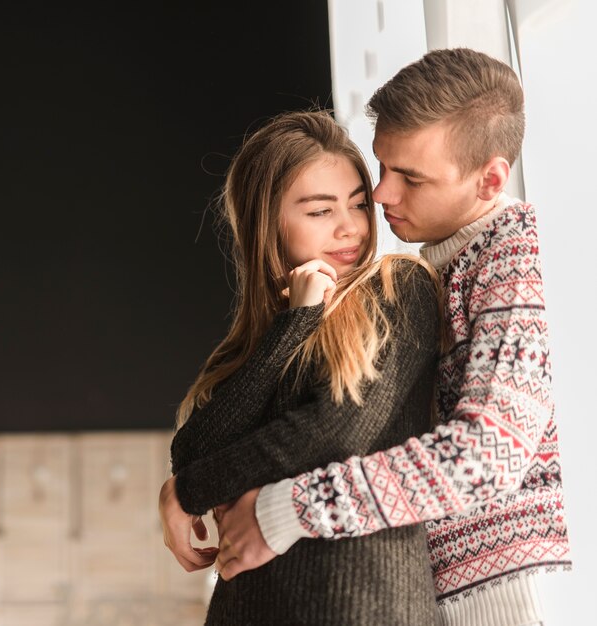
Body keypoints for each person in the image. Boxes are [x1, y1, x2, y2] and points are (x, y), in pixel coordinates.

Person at [188, 48, 573, 626]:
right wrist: (185, 489)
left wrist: (283, 510)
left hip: (498, 596)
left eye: (410, 177)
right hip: (439, 584)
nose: (382, 195)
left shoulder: (512, 257)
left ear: (490, 178)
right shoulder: (448, 261)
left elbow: (487, 455)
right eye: (382, 168)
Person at [159, 110, 442, 624]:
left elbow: (337, 429)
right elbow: (193, 451)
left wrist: (185, 493)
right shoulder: (254, 347)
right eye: (319, 211)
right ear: (266, 223)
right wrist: (295, 323)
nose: (349, 227)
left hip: (358, 605)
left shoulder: (398, 288)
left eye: (358, 204)